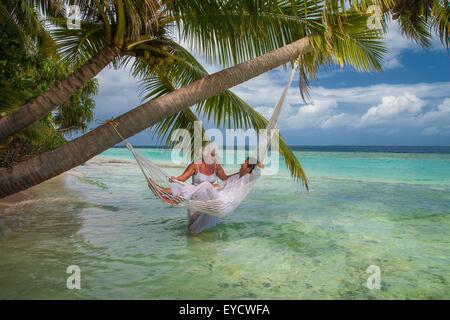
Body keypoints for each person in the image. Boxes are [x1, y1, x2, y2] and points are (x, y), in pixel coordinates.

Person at [160, 143, 262, 233]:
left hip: (213, 201)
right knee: (192, 228)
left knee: (205, 187)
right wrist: (176, 179)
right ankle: (162, 191)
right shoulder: (195, 165)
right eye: (212, 154)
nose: (214, 156)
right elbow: (183, 178)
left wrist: (256, 163)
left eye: (214, 154)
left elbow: (226, 178)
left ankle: (175, 197)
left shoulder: (244, 176)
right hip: (196, 199)